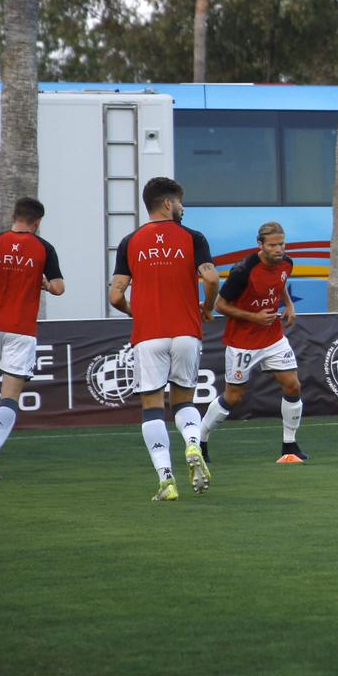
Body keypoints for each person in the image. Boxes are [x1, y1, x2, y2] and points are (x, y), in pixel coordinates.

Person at [109, 176, 220, 501]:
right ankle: (191, 444)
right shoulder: (192, 237)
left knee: (152, 405)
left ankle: (166, 479)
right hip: (186, 332)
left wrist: (138, 312)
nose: (183, 209)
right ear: (169, 204)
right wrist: (208, 307)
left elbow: (115, 296)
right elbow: (211, 278)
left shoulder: (130, 241)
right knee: (184, 400)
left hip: (148, 335)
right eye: (181, 203)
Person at [0, 196, 66, 480]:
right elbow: (59, 288)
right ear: (37, 222)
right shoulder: (44, 248)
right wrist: (43, 283)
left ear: (14, 216)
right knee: (9, 395)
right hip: (20, 329)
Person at [198, 221, 307, 462]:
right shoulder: (243, 271)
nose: (279, 249)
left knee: (293, 385)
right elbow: (221, 305)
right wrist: (254, 317)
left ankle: (289, 447)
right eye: (273, 245)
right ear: (260, 245)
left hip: (273, 338)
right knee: (233, 397)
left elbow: (279, 285)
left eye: (282, 244)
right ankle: (200, 440)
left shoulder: (287, 263)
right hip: (243, 342)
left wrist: (289, 305)